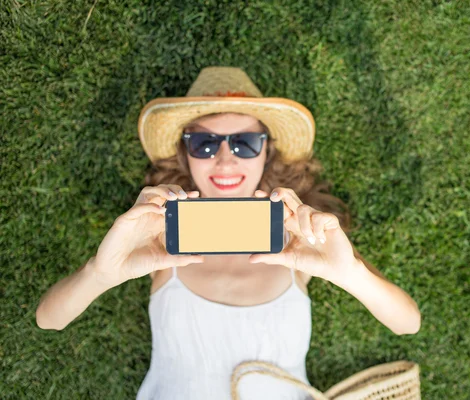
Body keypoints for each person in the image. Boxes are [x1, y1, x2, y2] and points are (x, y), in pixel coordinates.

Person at [36, 67, 421, 399]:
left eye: (244, 143)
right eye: (204, 143)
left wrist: (349, 272)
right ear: (184, 153)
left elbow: (407, 324)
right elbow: (48, 320)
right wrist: (101, 274)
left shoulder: (298, 238)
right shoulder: (158, 236)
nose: (225, 160)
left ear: (266, 151)